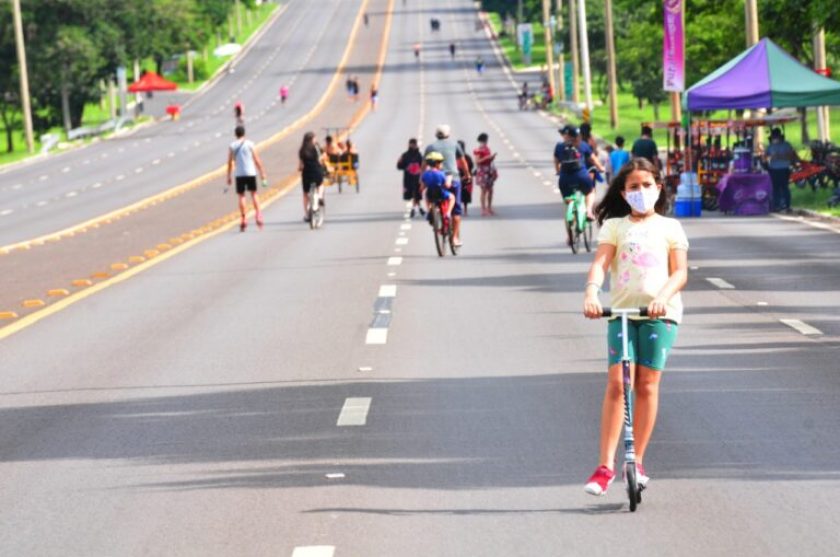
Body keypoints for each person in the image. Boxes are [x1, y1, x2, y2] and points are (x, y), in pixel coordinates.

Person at [582, 157, 689, 497]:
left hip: (660, 313)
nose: (640, 191)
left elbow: (680, 272)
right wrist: (591, 292)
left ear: (659, 188)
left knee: (646, 384)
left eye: (646, 185)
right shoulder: (614, 226)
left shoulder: (671, 227)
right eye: (633, 187)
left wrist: (663, 296)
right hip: (622, 313)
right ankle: (605, 466)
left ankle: (637, 461)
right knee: (617, 382)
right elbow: (600, 263)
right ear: (624, 192)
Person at [425, 124, 469, 246]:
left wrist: (422, 181)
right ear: (448, 134)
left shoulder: (430, 147)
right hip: (453, 180)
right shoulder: (455, 145)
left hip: (434, 181)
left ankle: (431, 210)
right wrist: (467, 175)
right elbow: (463, 162)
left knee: (430, 196)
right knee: (456, 212)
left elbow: (423, 166)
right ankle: (454, 238)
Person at [227, 125, 267, 232]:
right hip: (250, 173)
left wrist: (228, 176)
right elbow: (256, 159)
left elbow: (230, 162)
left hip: (239, 174)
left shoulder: (232, 145)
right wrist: (262, 172)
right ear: (244, 133)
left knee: (241, 196)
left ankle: (244, 218)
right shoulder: (250, 144)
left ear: (235, 134)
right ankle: (258, 214)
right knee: (254, 193)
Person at [554, 125, 597, 222]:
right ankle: (589, 211)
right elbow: (593, 159)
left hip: (564, 179)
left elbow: (556, 162)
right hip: (581, 176)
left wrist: (558, 171)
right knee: (590, 191)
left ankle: (570, 234)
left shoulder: (559, 146)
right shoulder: (583, 145)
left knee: (567, 201)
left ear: (566, 135)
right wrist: (601, 167)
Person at [764, 127, 799, 213]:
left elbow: (792, 156)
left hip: (784, 169)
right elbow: (765, 157)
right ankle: (776, 205)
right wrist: (769, 158)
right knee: (775, 188)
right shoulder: (770, 146)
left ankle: (787, 205)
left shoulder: (786, 145)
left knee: (784, 187)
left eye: (776, 137)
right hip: (773, 169)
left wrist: (780, 156)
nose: (775, 139)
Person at [298, 131, 326, 222]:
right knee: (321, 184)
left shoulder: (302, 150)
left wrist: (300, 168)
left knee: (305, 194)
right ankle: (320, 197)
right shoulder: (316, 147)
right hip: (316, 171)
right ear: (312, 139)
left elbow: (301, 165)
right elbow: (320, 159)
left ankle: (306, 214)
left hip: (306, 174)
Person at [421, 151, 453, 222]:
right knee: (452, 197)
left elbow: (422, 187)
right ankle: (448, 213)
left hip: (430, 194)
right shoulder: (441, 174)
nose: (441, 164)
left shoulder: (425, 174)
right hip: (441, 194)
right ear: (437, 164)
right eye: (440, 162)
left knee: (424, 193)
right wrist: (450, 179)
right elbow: (447, 185)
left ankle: (429, 210)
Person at [397, 138, 425, 218]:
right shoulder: (405, 155)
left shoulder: (419, 155)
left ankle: (415, 208)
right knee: (412, 194)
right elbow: (399, 166)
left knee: (417, 194)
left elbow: (423, 165)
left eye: (414, 144)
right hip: (408, 178)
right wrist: (400, 163)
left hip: (417, 178)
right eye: (411, 144)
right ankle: (418, 208)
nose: (413, 146)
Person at [473, 132, 498, 216]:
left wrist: (491, 158)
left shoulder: (487, 148)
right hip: (482, 171)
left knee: (490, 190)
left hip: (488, 170)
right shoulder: (479, 150)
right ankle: (483, 209)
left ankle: (489, 207)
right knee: (483, 191)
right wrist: (486, 157)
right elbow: (477, 161)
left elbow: (489, 160)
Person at [457, 140, 475, 215]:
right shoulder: (459, 157)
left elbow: (471, 166)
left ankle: (464, 210)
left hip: (464, 176)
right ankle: (462, 210)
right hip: (459, 176)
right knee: (458, 193)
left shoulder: (467, 157)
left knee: (465, 194)